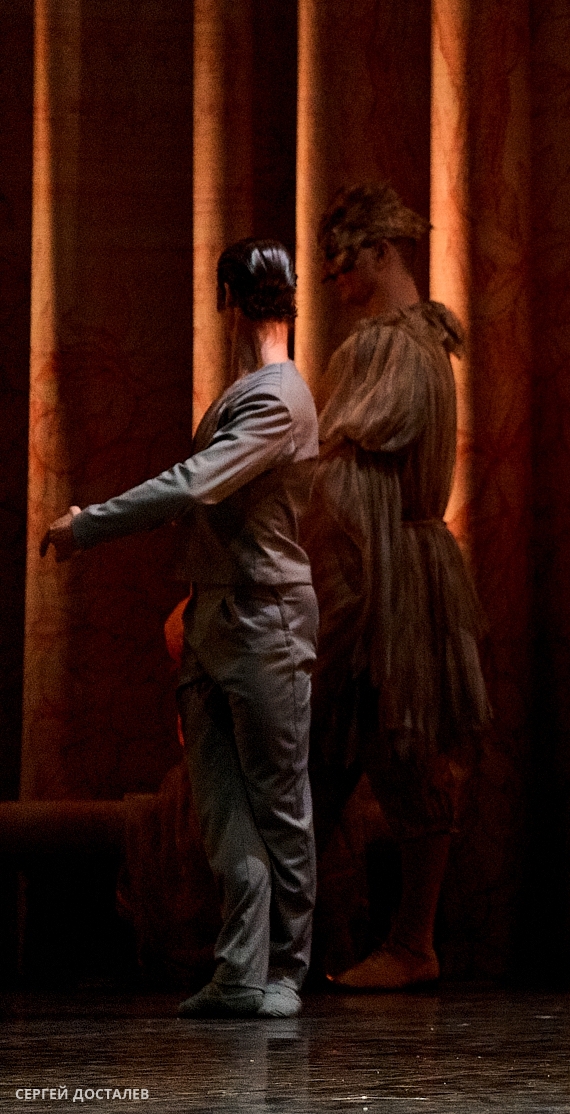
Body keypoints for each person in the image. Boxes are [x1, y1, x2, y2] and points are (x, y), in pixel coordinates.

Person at [42, 239, 319, 1019]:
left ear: (228, 301)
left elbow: (196, 484)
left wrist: (88, 525)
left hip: (266, 617)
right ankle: (241, 968)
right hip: (216, 614)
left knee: (278, 802)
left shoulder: (278, 397)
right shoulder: (253, 390)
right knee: (221, 800)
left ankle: (284, 970)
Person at [305, 182, 489, 990]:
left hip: (385, 570)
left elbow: (349, 488)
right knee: (343, 753)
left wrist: (331, 590)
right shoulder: (424, 346)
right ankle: (327, 936)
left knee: (393, 749)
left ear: (379, 254)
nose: (336, 284)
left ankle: (409, 941)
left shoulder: (387, 348)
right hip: (408, 561)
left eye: (343, 265)